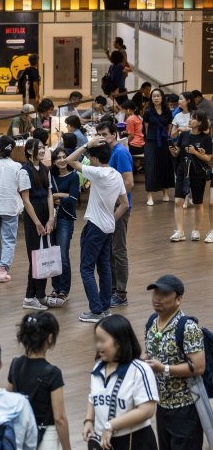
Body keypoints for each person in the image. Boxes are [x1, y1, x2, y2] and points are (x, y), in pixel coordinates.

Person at [83, 315, 161, 450]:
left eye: (102, 340)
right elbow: (93, 397)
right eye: (96, 340)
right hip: (104, 446)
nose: (98, 346)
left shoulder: (140, 369)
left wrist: (112, 425)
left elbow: (147, 409)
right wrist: (89, 420)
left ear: (119, 340)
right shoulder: (98, 367)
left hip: (137, 445)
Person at [142, 276, 206, 450]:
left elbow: (198, 366)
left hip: (185, 405)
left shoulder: (187, 327)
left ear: (178, 299)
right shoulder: (152, 322)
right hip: (163, 403)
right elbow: (150, 353)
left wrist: (164, 368)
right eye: (155, 293)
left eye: (163, 294)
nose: (156, 298)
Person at [7, 313, 76, 450]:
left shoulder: (15, 365)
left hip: (21, 440)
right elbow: (60, 418)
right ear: (49, 338)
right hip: (47, 441)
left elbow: (9, 402)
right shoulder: (52, 373)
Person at [65, 138, 128, 323]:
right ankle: (104, 308)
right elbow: (124, 205)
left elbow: (70, 160)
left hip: (95, 227)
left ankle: (96, 310)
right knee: (104, 268)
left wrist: (86, 145)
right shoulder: (116, 175)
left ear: (94, 158)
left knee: (86, 268)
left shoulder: (98, 173)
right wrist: (111, 219)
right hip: (108, 227)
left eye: (91, 156)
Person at [95, 120, 134, 310]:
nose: (101, 137)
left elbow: (129, 182)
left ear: (114, 134)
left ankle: (121, 293)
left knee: (118, 250)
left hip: (119, 209)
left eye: (104, 134)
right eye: (99, 134)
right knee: (110, 250)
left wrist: (116, 202)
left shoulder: (120, 153)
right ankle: (112, 289)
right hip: (109, 209)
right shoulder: (109, 152)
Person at [20, 138, 55, 311]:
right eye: (38, 148)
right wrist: (37, 223)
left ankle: (40, 294)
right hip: (33, 215)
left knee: (45, 254)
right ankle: (29, 296)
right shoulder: (24, 171)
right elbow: (26, 200)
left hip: (45, 214)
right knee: (35, 257)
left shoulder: (45, 169)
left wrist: (50, 218)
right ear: (28, 151)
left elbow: (49, 195)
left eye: (43, 147)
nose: (42, 151)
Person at [0, 135, 27, 283]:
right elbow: (21, 188)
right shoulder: (17, 167)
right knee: (9, 239)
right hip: (10, 207)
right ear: (12, 150)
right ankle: (4, 268)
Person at [168, 111, 212, 243]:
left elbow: (208, 158)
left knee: (198, 203)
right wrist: (174, 152)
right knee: (178, 201)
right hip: (182, 171)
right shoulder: (184, 135)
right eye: (191, 117)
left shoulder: (206, 138)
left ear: (199, 122)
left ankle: (196, 229)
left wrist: (195, 152)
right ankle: (180, 231)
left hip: (198, 172)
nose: (190, 120)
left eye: (194, 118)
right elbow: (178, 153)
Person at [47, 147, 80, 306]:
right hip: (51, 218)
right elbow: (47, 197)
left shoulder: (74, 176)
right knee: (53, 254)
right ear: (53, 161)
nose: (61, 160)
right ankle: (55, 287)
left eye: (63, 157)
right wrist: (61, 197)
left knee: (63, 254)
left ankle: (64, 290)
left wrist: (57, 196)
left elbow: (73, 199)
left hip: (66, 219)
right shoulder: (50, 176)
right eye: (57, 157)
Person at [144, 88, 174, 205]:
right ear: (151, 98)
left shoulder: (168, 111)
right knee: (150, 167)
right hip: (151, 141)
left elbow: (169, 128)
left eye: (158, 96)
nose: (156, 98)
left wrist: (167, 138)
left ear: (162, 97)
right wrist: (150, 138)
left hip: (164, 141)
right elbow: (146, 129)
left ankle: (165, 193)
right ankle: (149, 196)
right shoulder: (147, 112)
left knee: (164, 166)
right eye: (154, 96)